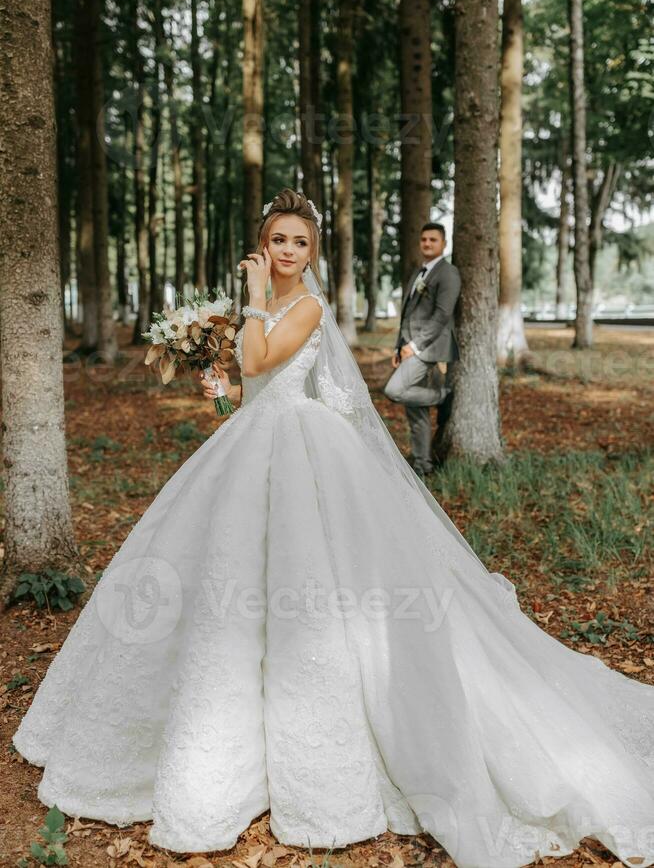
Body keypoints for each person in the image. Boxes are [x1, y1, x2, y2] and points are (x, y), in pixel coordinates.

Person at [12, 188, 654, 868]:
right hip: (251, 449)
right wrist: (221, 389)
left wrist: (252, 306)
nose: (288, 251)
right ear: (264, 242)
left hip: (305, 453)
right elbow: (250, 390)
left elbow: (260, 360)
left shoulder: (307, 304)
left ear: (308, 254)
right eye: (278, 240)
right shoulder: (262, 307)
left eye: (300, 243)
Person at [383, 223, 461, 479]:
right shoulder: (420, 272)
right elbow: (407, 313)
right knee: (415, 408)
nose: (427, 244)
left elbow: (441, 315)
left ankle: (443, 397)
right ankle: (422, 464)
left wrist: (414, 346)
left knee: (395, 390)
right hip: (409, 345)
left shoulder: (448, 273)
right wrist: (399, 346)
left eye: (433, 240)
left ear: (443, 244)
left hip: (428, 348)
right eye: (424, 239)